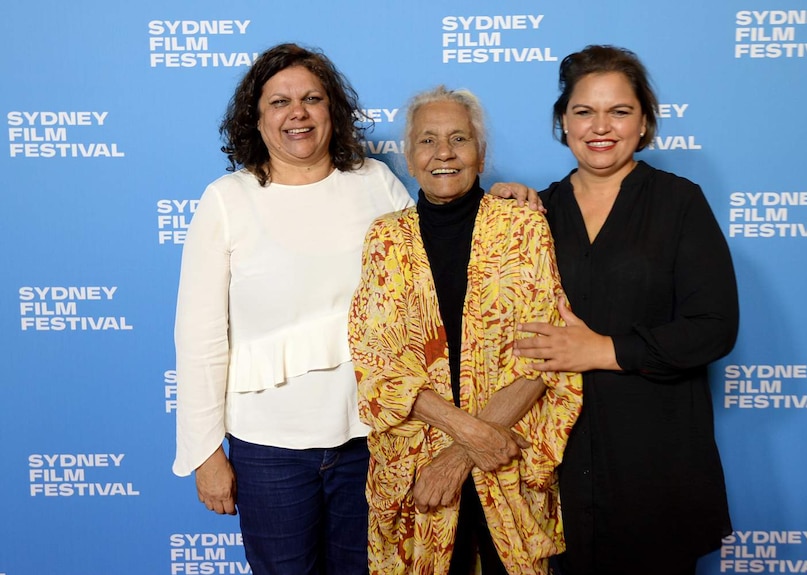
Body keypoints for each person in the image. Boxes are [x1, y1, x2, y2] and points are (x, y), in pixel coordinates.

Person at [493, 45, 738, 575]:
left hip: (655, 459)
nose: (600, 126)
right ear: (563, 121)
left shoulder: (679, 202)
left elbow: (715, 328)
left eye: (619, 111)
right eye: (584, 111)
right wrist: (493, 208)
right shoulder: (532, 214)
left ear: (644, 121)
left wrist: (604, 350)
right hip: (556, 467)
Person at [172, 43, 413, 575]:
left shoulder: (377, 183)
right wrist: (206, 453)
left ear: (334, 111)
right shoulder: (226, 199)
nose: (297, 113)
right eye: (279, 102)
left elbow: (429, 286)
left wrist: (502, 201)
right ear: (256, 120)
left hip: (371, 438)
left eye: (312, 98)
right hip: (268, 450)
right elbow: (200, 337)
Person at [348, 86, 583, 575]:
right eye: (427, 141)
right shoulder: (384, 240)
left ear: (481, 152)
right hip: (416, 470)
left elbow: (546, 353)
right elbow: (378, 367)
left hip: (508, 461)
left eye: (459, 137)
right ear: (409, 160)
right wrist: (469, 436)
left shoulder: (523, 226)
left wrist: (458, 457)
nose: (444, 153)